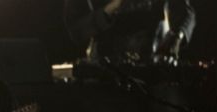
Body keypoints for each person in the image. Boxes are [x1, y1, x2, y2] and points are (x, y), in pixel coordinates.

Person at [64, 0, 195, 65]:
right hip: (108, 72)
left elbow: (188, 12)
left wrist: (178, 37)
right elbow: (77, 33)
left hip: (154, 69)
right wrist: (112, 8)